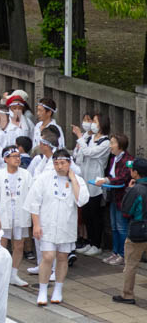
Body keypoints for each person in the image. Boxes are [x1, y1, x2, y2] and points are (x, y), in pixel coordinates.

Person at [25, 148, 88, 305]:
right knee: (47, 257)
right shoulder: (44, 178)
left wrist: (73, 179)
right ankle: (42, 290)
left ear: (69, 163)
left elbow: (81, 200)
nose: (59, 166)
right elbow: (33, 202)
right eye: (56, 163)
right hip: (46, 224)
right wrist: (36, 224)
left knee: (62, 257)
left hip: (66, 225)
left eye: (63, 163)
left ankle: (58, 289)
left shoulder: (78, 180)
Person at [0, 145, 33, 286]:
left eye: (18, 156)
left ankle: (13, 274)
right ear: (6, 159)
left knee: (19, 245)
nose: (17, 159)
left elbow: (32, 195)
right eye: (14, 157)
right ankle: (0, 274)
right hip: (3, 213)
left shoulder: (26, 175)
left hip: (20, 212)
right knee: (1, 245)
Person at [72, 112, 111, 257]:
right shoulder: (90, 138)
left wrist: (79, 137)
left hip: (96, 183)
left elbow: (89, 152)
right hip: (84, 179)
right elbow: (80, 155)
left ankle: (96, 244)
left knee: (95, 215)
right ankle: (89, 242)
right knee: (87, 214)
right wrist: (82, 141)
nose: (92, 124)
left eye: (95, 121)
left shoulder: (105, 142)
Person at [113, 157, 147, 305]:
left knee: (131, 264)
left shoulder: (136, 189)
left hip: (138, 231)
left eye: (132, 169)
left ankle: (127, 294)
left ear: (136, 173)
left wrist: (129, 189)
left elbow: (126, 210)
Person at [98, 134, 132, 266]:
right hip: (113, 195)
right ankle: (115, 252)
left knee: (121, 227)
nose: (110, 146)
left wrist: (106, 180)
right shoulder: (113, 158)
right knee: (113, 227)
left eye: (112, 143)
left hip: (122, 197)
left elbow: (123, 178)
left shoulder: (128, 160)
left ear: (120, 145)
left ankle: (123, 255)